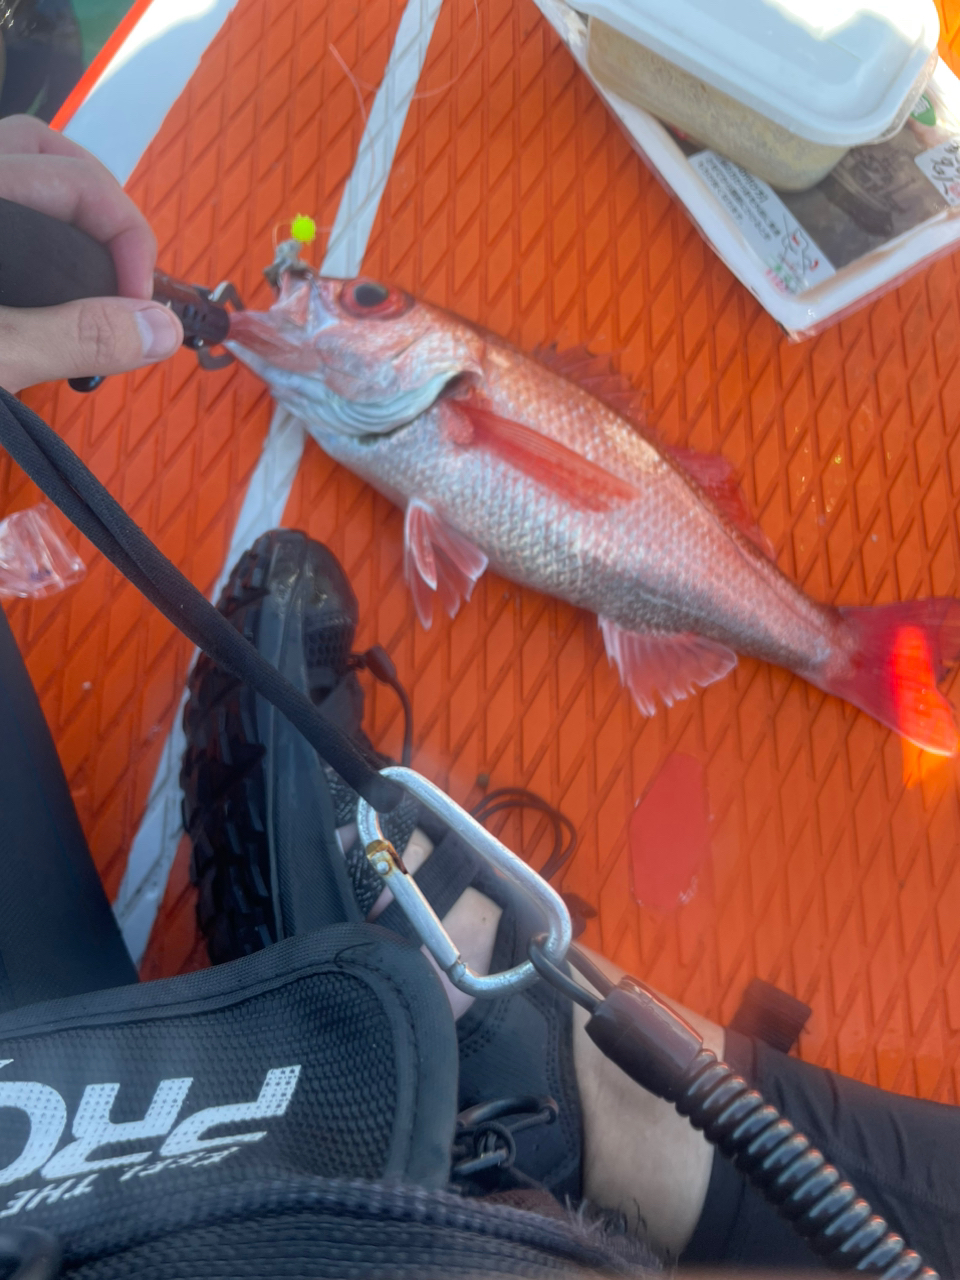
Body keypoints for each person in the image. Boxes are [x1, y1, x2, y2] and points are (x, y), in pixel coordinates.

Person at [0, 114, 958, 1278]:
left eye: (365, 304)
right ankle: (561, 1090)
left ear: (448, 371)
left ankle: (557, 1090)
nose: (335, 302)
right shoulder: (417, 420)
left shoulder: (465, 404)